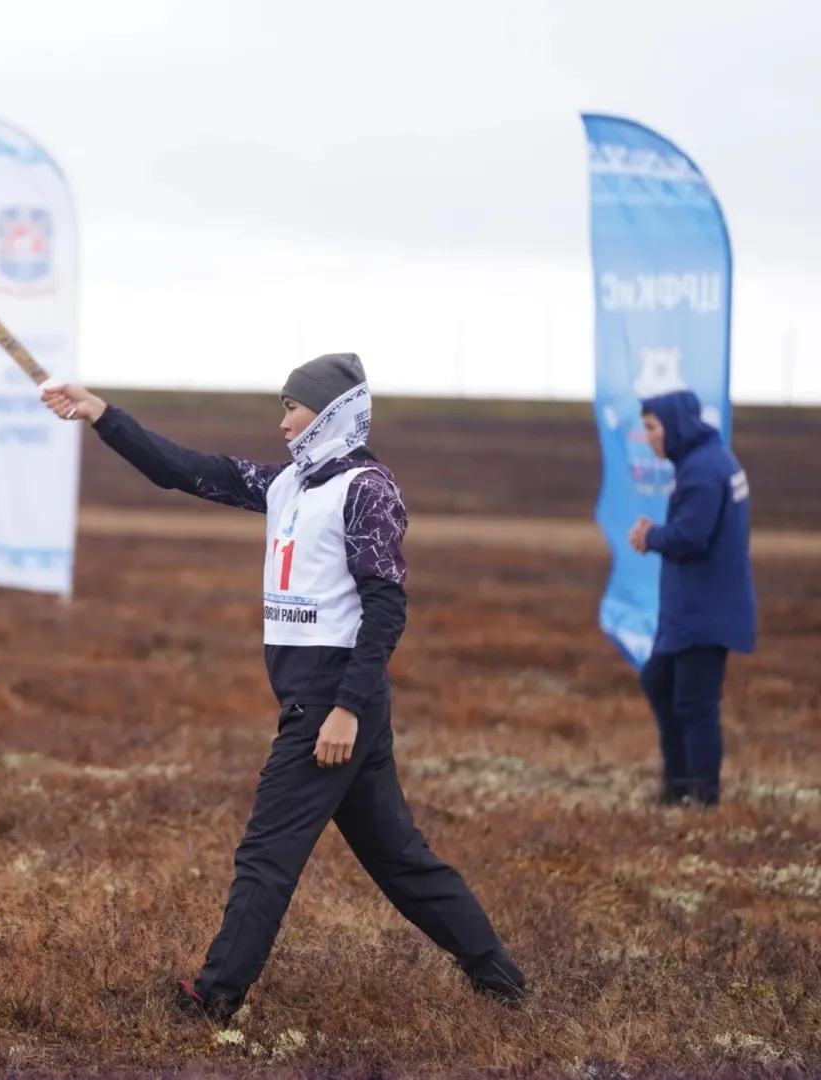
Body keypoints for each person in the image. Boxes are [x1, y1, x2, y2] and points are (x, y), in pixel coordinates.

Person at [42, 353, 526, 1023]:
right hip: (325, 703)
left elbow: (387, 609)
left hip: (332, 704)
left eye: (292, 408)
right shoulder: (287, 485)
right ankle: (502, 982)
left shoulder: (367, 489)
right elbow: (184, 470)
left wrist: (346, 709)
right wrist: (101, 415)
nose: (282, 423)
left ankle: (213, 999)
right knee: (399, 858)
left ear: (329, 413)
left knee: (266, 853)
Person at [628, 388, 755, 807]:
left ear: (674, 425)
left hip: (706, 612)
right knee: (659, 682)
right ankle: (678, 785)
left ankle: (702, 799)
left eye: (652, 427)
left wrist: (649, 537)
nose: (648, 437)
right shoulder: (708, 459)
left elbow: (691, 536)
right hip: (698, 609)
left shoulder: (702, 469)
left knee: (695, 705)